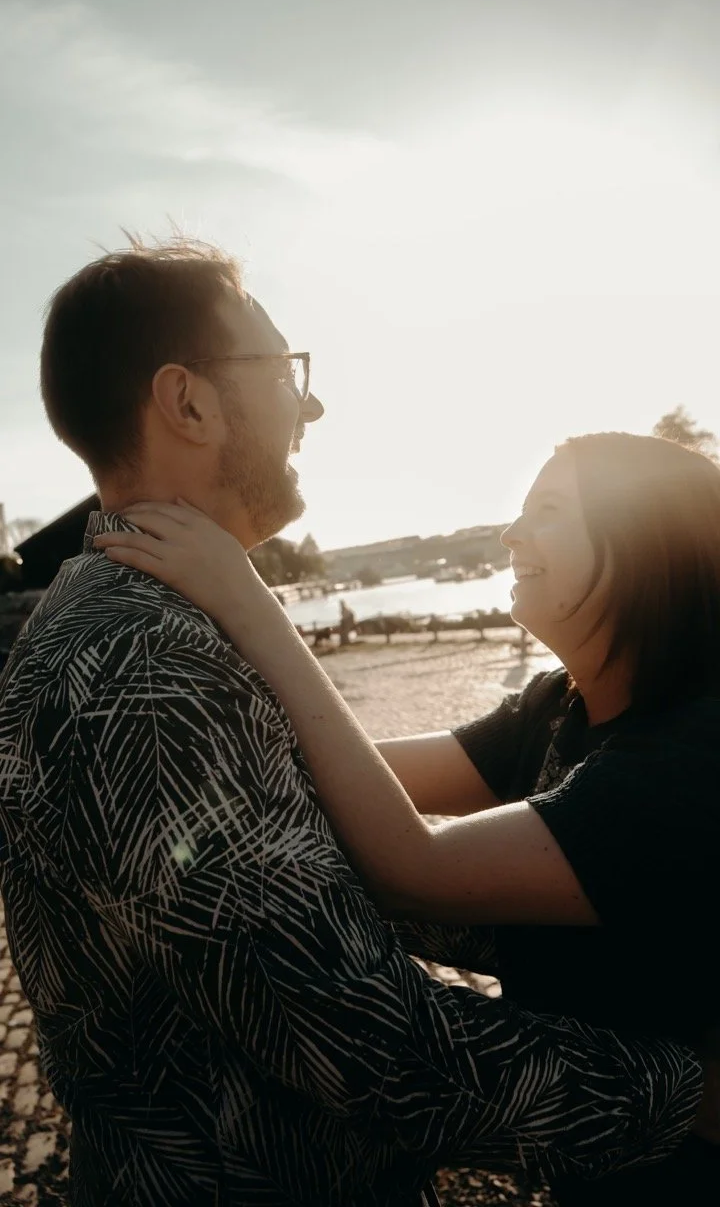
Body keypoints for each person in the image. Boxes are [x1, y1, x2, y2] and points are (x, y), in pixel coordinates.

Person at [0, 239, 701, 1207]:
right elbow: (377, 1046)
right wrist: (689, 1088)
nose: (312, 404)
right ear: (189, 403)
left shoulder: (135, 620)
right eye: (289, 371)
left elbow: (314, 876)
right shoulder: (145, 667)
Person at [97, 430, 720, 1204]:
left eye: (550, 510)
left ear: (643, 545)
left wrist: (246, 599)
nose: (511, 532)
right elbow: (346, 772)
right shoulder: (558, 707)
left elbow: (412, 867)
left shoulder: (695, 752)